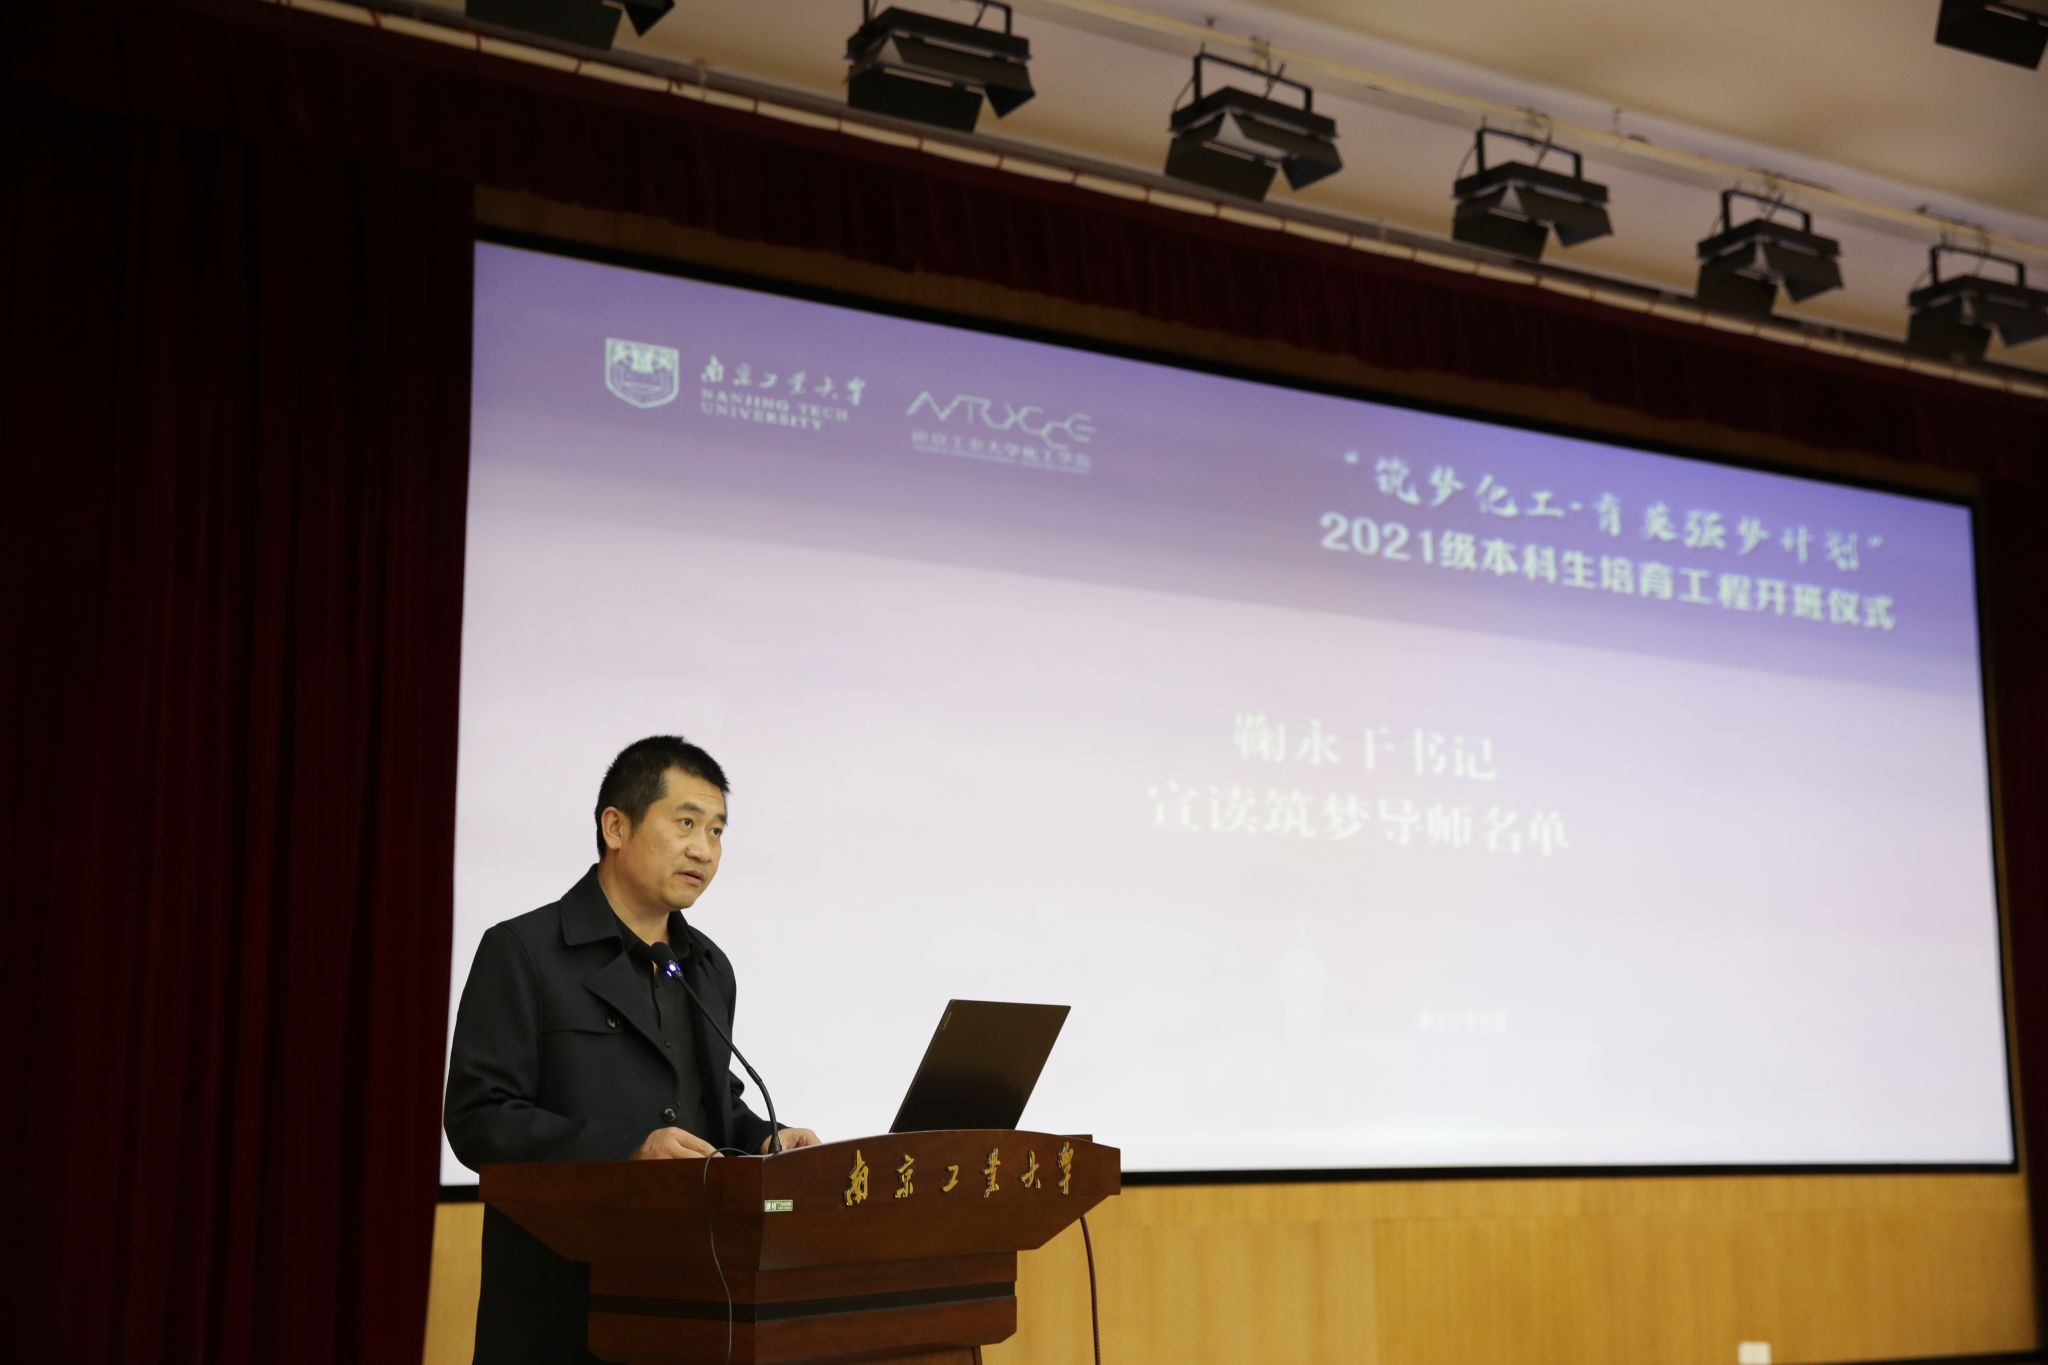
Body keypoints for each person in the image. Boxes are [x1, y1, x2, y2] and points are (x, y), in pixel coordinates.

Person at [446, 735, 820, 1365]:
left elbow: (709, 1100)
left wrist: (764, 1139)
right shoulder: (525, 952)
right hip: (562, 1308)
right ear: (615, 827)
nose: (705, 849)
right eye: (686, 823)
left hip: (690, 1305)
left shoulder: (707, 967)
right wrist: (627, 1150)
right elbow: (478, 1119)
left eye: (718, 830)